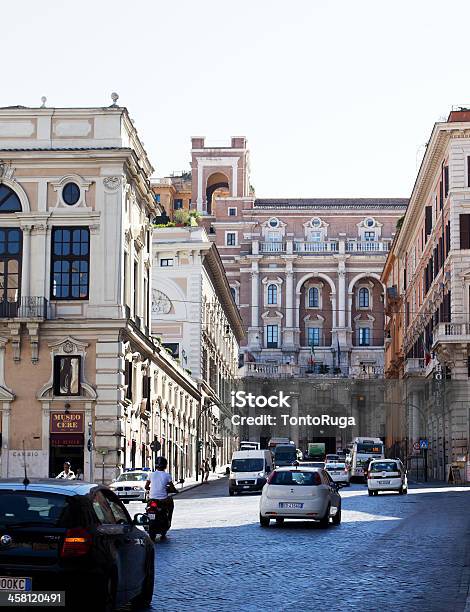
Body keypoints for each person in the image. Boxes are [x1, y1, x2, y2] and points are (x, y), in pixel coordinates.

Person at [145, 456, 177, 526]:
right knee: (170, 502)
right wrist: (174, 490)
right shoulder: (167, 475)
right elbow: (172, 488)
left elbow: (146, 487)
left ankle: (147, 519)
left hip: (152, 499)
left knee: (148, 507)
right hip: (163, 499)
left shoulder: (151, 474)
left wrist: (153, 488)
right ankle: (168, 521)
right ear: (165, 466)